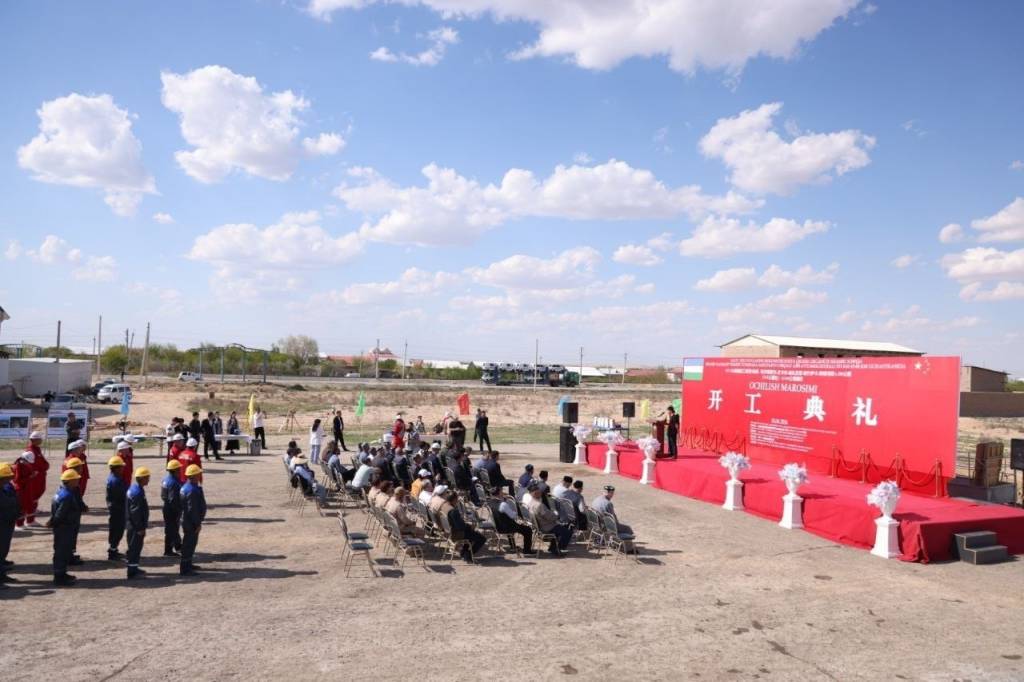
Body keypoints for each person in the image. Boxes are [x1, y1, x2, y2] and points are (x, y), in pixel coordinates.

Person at [49, 469, 84, 586]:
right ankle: (59, 577)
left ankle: (62, 573)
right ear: (70, 481)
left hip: (62, 527)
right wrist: (54, 522)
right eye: (76, 479)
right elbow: (60, 514)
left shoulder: (60, 492)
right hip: (64, 528)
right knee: (62, 552)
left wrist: (52, 521)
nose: (78, 480)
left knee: (62, 551)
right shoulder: (67, 496)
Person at [526, 482, 572, 555]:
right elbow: (550, 517)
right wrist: (557, 515)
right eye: (539, 492)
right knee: (567, 532)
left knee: (560, 528)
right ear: (536, 493)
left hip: (539, 525)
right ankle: (558, 549)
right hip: (546, 526)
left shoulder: (530, 503)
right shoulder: (539, 505)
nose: (541, 493)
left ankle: (553, 548)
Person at [440, 490, 485, 563]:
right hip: (456, 534)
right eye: (457, 499)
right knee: (481, 538)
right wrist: (470, 526)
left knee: (472, 534)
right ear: (454, 499)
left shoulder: (444, 506)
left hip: (449, 532)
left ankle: (464, 553)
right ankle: (468, 555)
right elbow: (460, 526)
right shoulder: (453, 511)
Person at [180, 464, 206, 576]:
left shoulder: (186, 487)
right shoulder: (192, 490)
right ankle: (185, 569)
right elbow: (192, 510)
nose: (200, 475)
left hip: (187, 520)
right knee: (189, 544)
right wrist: (197, 523)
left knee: (190, 543)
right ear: (194, 475)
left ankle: (188, 564)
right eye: (198, 473)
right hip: (191, 522)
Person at [591, 485, 635, 552]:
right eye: (612, 493)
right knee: (628, 528)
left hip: (595, 523)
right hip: (605, 525)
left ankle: (616, 543)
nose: (612, 495)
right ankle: (626, 548)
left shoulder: (596, 499)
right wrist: (617, 524)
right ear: (609, 493)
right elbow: (612, 519)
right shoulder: (608, 503)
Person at [124, 466, 150, 579]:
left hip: (132, 525)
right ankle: (132, 572)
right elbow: (135, 512)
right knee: (135, 548)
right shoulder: (137, 492)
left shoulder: (135, 489)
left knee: (134, 547)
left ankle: (134, 567)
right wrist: (140, 528)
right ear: (142, 478)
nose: (148, 479)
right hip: (135, 526)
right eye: (147, 477)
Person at [105, 455, 128, 561]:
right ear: (116, 468)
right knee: (117, 530)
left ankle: (113, 549)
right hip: (117, 509)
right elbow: (122, 495)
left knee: (115, 529)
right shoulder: (115, 481)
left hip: (115, 508)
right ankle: (113, 552)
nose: (123, 468)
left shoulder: (114, 478)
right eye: (121, 467)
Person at [0, 463, 18, 588]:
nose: (9, 479)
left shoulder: (4, 488)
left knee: (3, 552)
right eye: (6, 477)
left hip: (6, 523)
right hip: (2, 524)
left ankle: (2, 575)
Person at [26, 431, 49, 526]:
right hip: (35, 478)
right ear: (34, 440)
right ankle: (30, 520)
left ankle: (32, 513)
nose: (41, 440)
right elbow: (31, 466)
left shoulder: (36, 449)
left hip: (40, 477)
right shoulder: (30, 451)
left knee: (36, 495)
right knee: (33, 497)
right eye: (40, 439)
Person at [161, 460, 183, 557]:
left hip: (167, 507)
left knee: (170, 529)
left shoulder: (165, 480)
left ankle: (169, 550)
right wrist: (178, 510)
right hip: (172, 509)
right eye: (179, 469)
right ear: (175, 470)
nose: (180, 470)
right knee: (173, 529)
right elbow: (173, 499)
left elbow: (163, 496)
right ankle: (178, 547)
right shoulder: (174, 482)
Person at [63, 441, 90, 510]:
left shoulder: (75, 458)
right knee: (75, 494)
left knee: (77, 493)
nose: (80, 450)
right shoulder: (73, 460)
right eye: (79, 449)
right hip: (73, 480)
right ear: (74, 450)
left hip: (75, 479)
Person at [12, 450, 36, 529]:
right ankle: (19, 524)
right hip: (21, 489)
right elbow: (17, 480)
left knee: (27, 505)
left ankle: (26, 522)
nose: (28, 463)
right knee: (21, 507)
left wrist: (31, 475)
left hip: (26, 488)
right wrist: (30, 477)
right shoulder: (18, 466)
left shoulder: (25, 464)